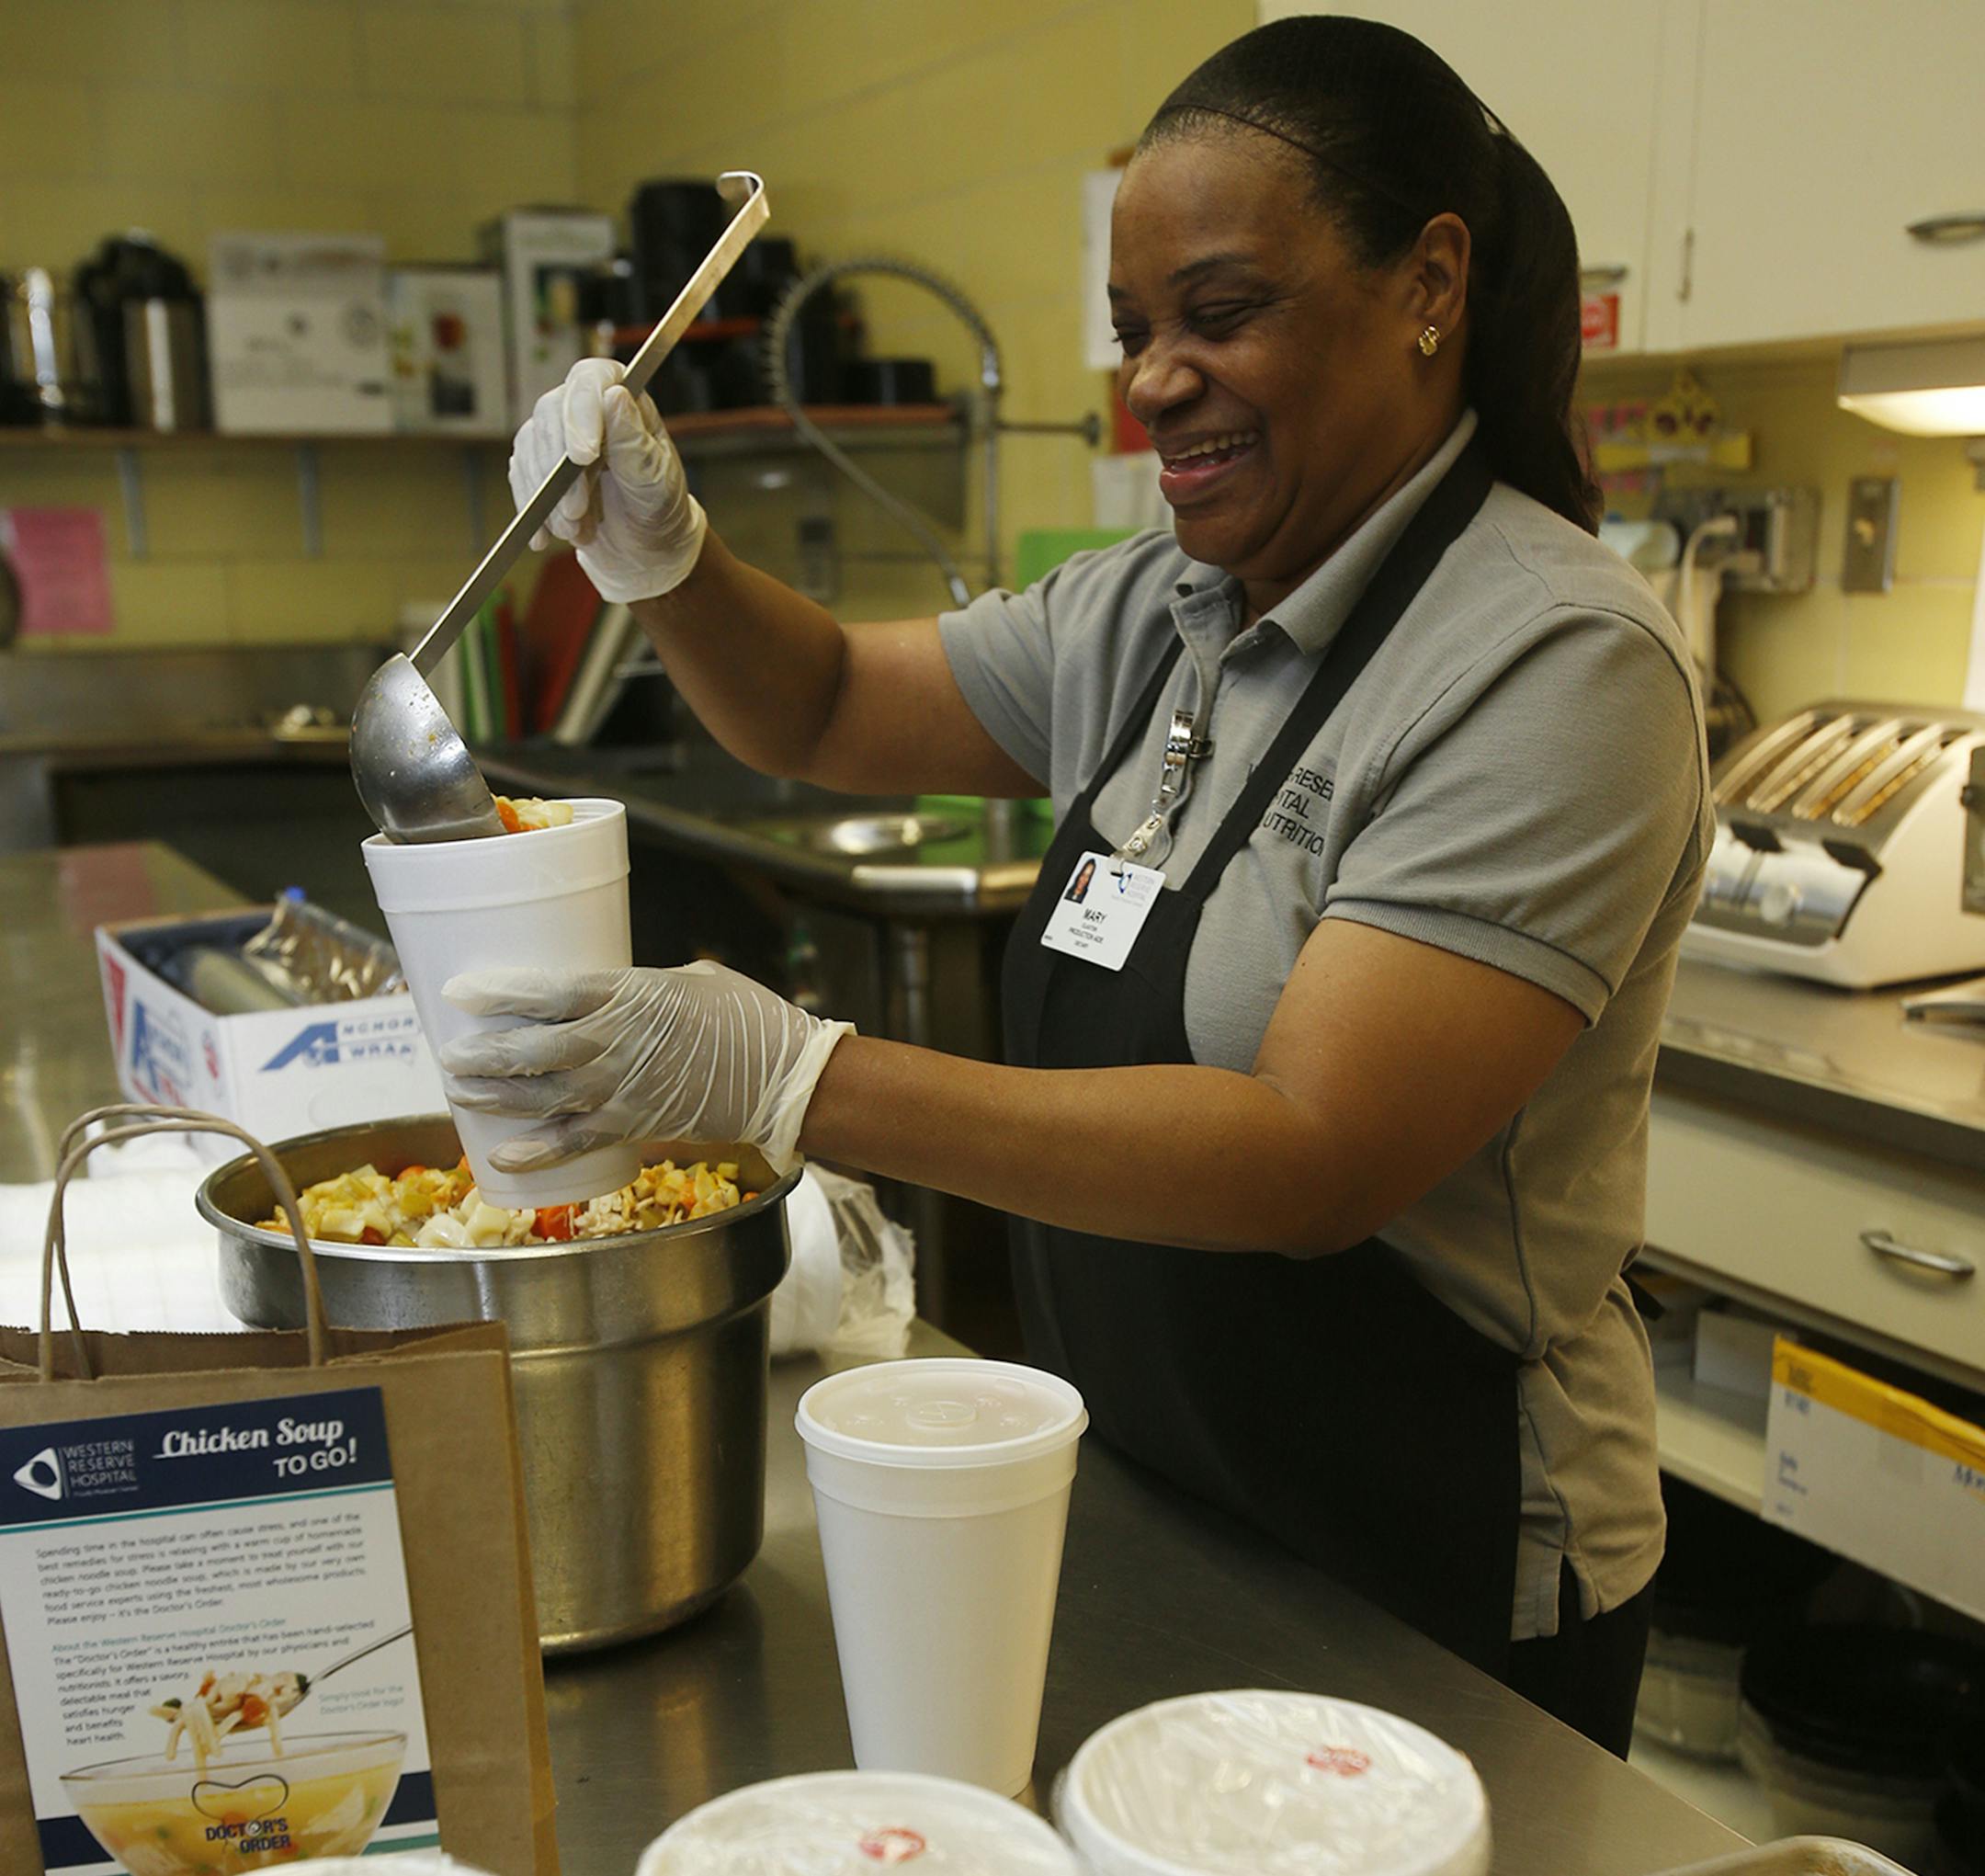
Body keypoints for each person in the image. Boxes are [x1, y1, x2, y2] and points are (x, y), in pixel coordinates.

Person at [443, 15, 1709, 1755]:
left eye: (1221, 312)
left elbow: (1313, 1153)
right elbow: (815, 703)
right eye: (1136, 333)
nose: (1154, 382)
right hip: (1154, 1484)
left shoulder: (1556, 660)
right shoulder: (1159, 609)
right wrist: (663, 556)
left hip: (1432, 1567)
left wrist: (794, 1078)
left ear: (1429, 284)